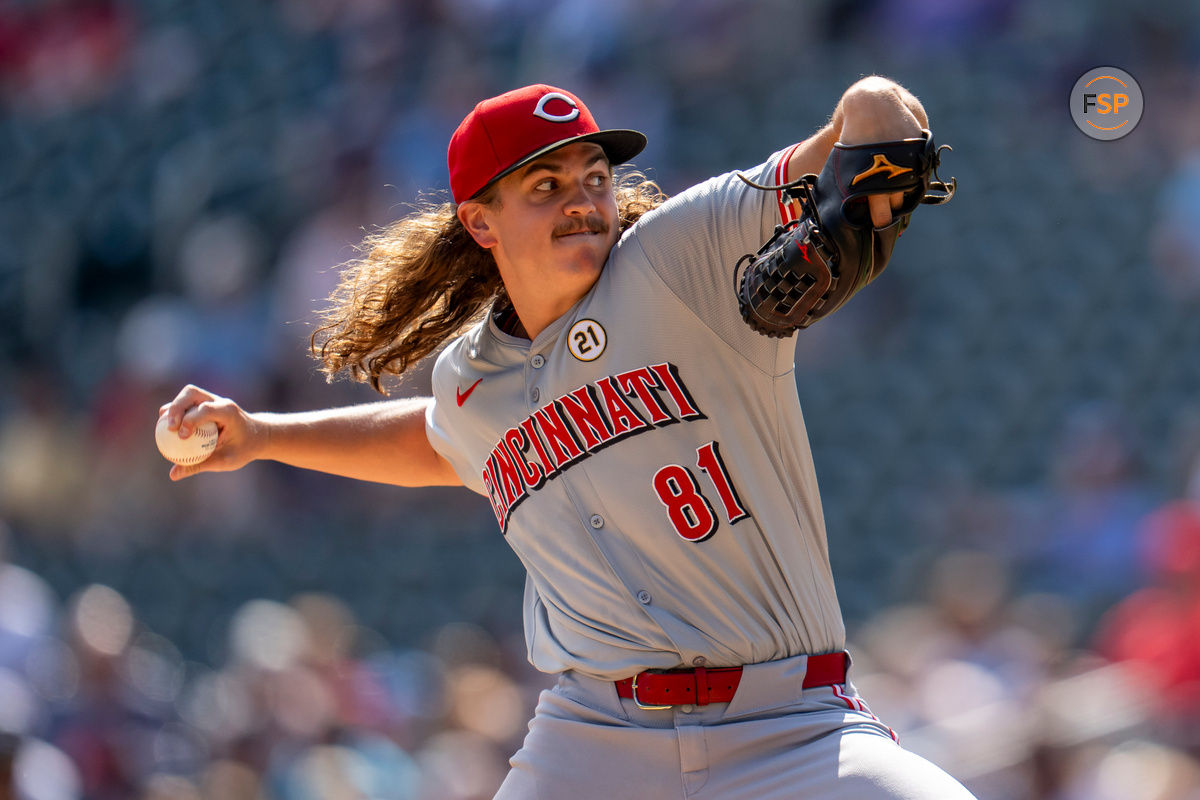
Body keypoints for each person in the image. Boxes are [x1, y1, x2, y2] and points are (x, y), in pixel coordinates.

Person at [159, 81, 976, 798]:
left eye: (594, 176)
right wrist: (260, 435)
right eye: (545, 185)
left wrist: (860, 196)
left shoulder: (679, 256)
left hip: (790, 727)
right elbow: (441, 442)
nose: (583, 199)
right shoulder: (472, 381)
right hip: (596, 740)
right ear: (480, 220)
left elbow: (878, 110)